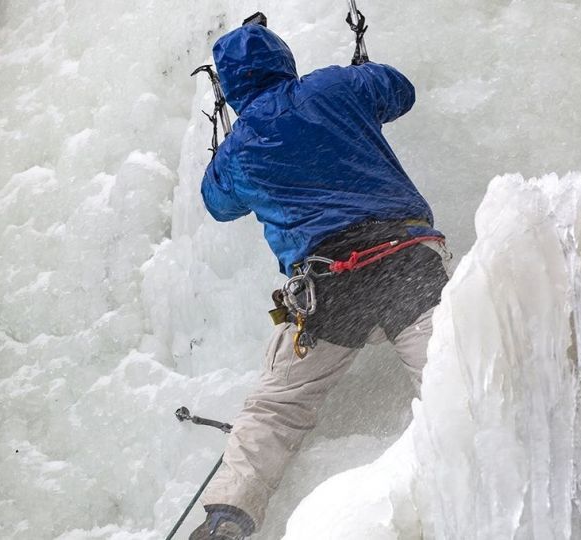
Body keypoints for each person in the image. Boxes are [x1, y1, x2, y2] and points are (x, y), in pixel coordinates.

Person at [189, 13, 449, 540]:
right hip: (407, 263)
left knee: (276, 407)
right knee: (454, 375)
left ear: (232, 86)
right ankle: (489, 476)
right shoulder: (336, 85)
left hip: (327, 288)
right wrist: (361, 80)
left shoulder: (238, 149)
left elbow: (216, 204)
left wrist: (235, 146)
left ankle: (228, 518)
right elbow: (399, 89)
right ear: (284, 60)